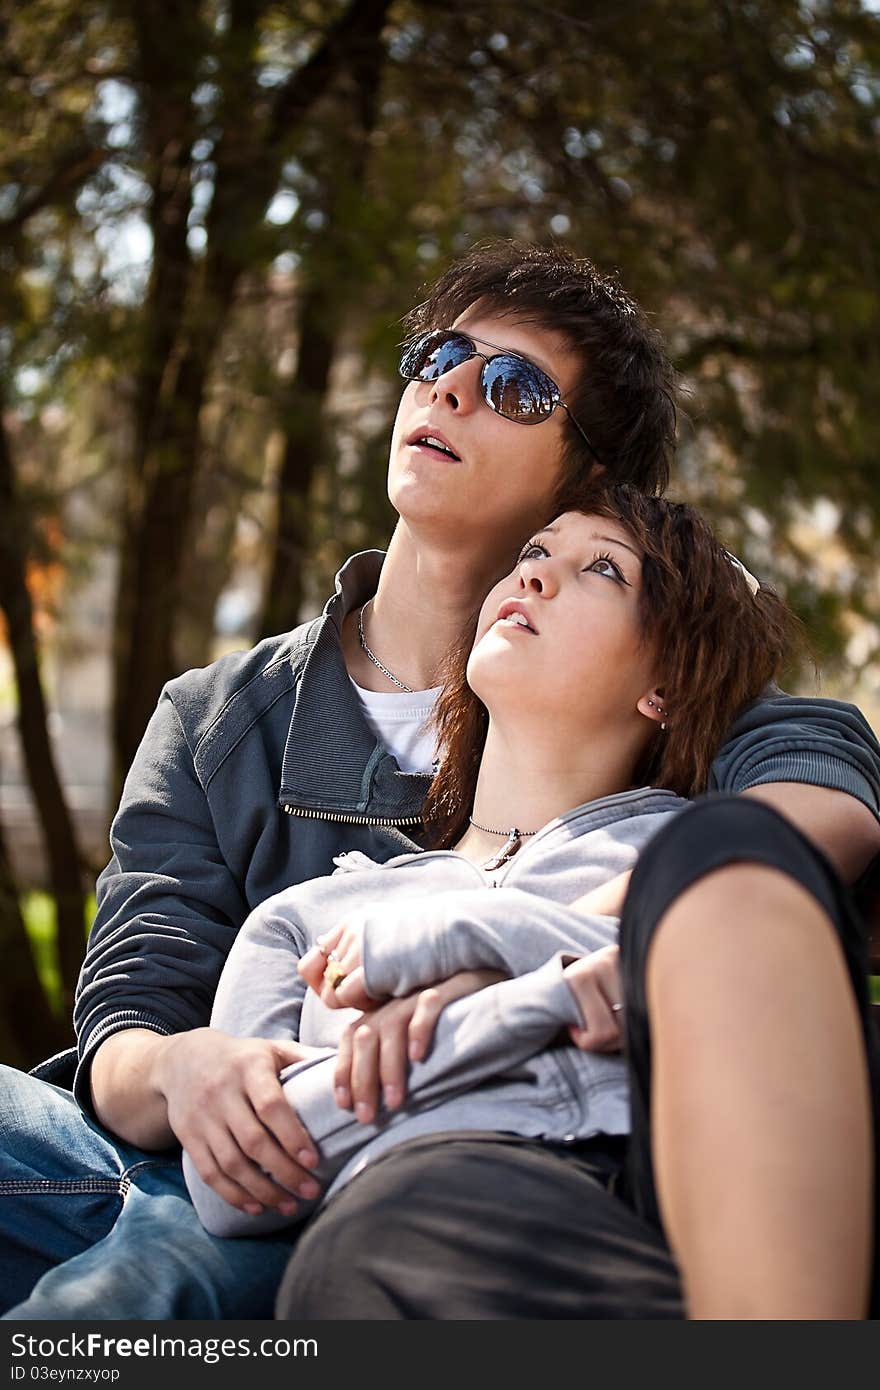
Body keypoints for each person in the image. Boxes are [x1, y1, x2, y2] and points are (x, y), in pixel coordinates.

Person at [1, 243, 878, 1321]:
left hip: (385, 1179)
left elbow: (800, 811)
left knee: (125, 1299)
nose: (451, 385)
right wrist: (186, 1067)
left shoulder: (656, 698)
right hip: (187, 1140)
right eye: (440, 355)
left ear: (590, 477)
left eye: (515, 387)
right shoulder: (220, 716)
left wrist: (515, 953)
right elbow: (130, 1013)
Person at [181, 485, 874, 1328]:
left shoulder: (694, 853)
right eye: (536, 553)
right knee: (376, 1251)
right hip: (450, 1212)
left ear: (665, 687)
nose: (536, 578)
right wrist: (552, 990)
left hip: (699, 1170)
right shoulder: (312, 916)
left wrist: (474, 950)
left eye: (603, 571)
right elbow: (243, 1180)